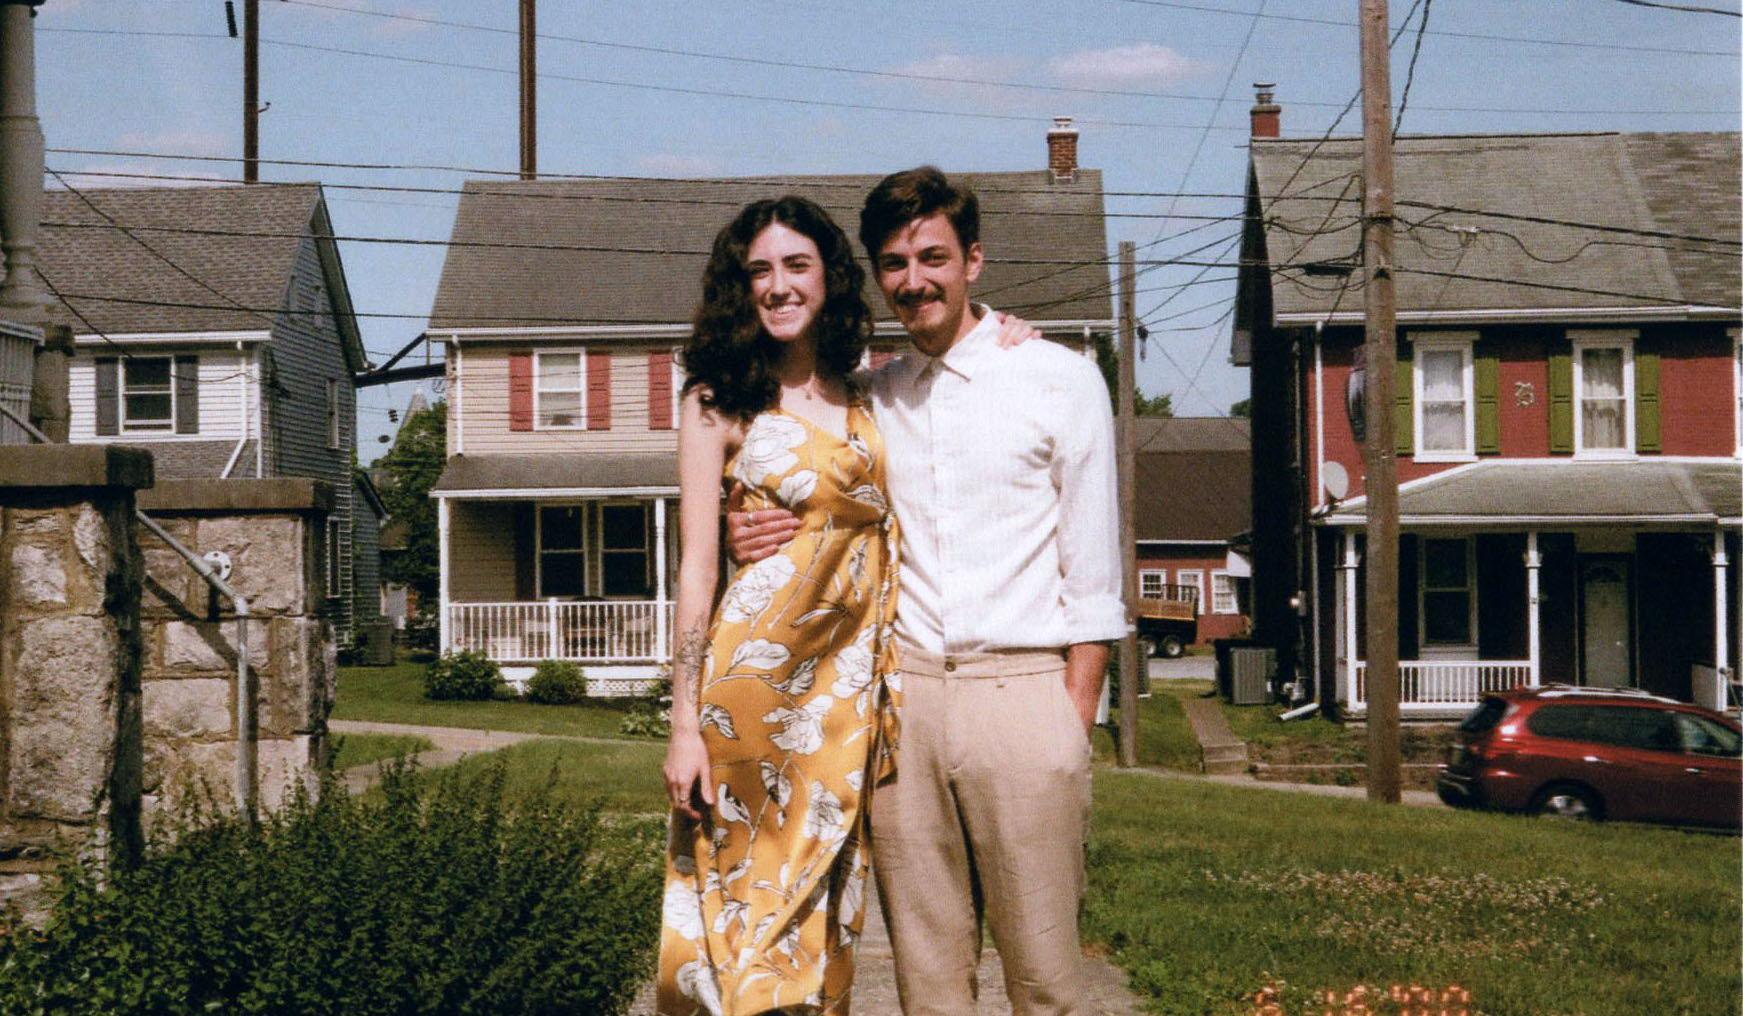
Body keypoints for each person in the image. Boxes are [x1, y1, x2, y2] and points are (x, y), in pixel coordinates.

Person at [727, 167, 1124, 1016]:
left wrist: (1071, 719)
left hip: (1023, 698)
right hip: (900, 709)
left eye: (933, 258)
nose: (914, 281)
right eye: (895, 264)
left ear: (973, 260)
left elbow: (1093, 573)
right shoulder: (870, 399)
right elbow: (817, 500)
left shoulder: (1056, 379)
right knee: (929, 983)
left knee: (1045, 978)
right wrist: (746, 530)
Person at [656, 194, 1036, 1016]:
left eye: (797, 266)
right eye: (759, 271)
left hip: (850, 700)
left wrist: (1008, 334)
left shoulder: (871, 394)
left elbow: (957, 365)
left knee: (824, 914)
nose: (778, 286)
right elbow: (695, 570)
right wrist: (683, 726)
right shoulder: (716, 401)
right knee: (749, 912)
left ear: (828, 277)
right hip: (752, 695)